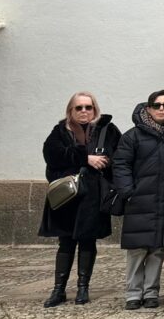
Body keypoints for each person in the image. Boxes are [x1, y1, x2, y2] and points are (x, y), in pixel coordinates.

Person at [39, 92, 119, 307]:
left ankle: (83, 288)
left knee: (87, 241)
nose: (84, 111)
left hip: (93, 196)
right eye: (79, 108)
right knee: (65, 242)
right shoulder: (60, 130)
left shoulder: (107, 130)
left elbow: (118, 156)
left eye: (88, 107)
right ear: (70, 110)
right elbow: (52, 155)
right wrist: (85, 158)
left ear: (95, 109)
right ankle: (59, 290)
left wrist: (106, 166)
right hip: (67, 196)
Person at [112, 89, 164, 310]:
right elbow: (120, 164)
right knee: (137, 249)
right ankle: (133, 292)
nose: (162, 109)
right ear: (148, 108)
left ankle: (151, 292)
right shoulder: (132, 135)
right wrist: (128, 191)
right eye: (157, 105)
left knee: (157, 249)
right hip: (139, 200)